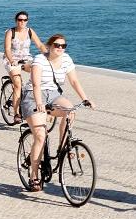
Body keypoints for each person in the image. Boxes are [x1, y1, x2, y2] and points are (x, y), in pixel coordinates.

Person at [22, 34, 94, 193]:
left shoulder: (67, 59)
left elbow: (74, 81)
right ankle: (34, 176)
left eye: (63, 46)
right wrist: (39, 103)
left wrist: (86, 99)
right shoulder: (39, 59)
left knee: (70, 111)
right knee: (41, 136)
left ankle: (62, 149)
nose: (60, 48)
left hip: (54, 94)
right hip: (33, 96)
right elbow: (35, 84)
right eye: (57, 45)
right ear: (49, 46)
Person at [2, 11, 47, 123]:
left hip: (26, 59)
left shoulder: (30, 31)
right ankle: (16, 113)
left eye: (24, 20)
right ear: (16, 21)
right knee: (17, 84)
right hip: (12, 60)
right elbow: (7, 49)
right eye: (20, 20)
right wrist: (12, 61)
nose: (22, 22)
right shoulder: (10, 32)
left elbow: (40, 45)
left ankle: (33, 97)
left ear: (27, 21)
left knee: (39, 74)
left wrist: (48, 55)